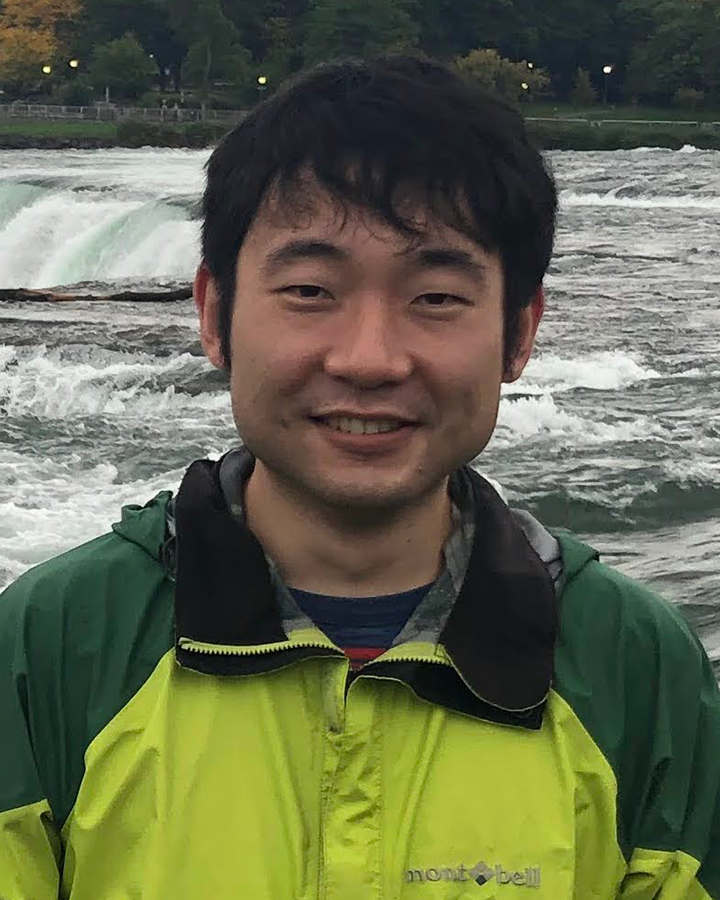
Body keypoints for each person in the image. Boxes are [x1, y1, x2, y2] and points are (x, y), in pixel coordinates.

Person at [1, 54, 718, 900]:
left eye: (438, 298)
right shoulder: (52, 645)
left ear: (520, 334)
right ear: (213, 314)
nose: (370, 359)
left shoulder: (634, 666)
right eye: (310, 289)